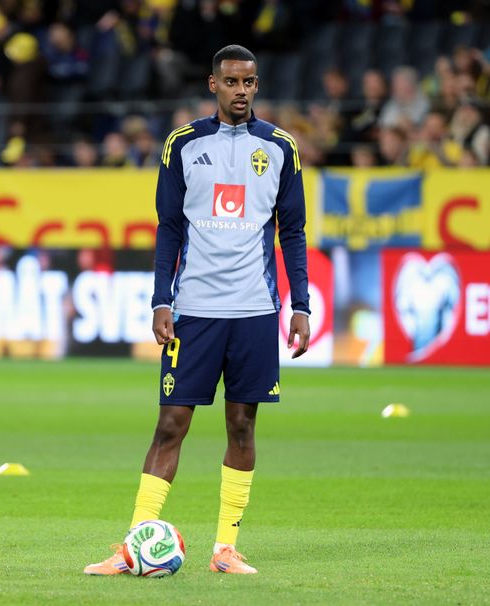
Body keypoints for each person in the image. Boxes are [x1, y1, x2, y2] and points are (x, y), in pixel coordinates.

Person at [84, 45, 311, 576]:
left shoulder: (280, 147)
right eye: (232, 82)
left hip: (255, 309)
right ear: (213, 84)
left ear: (257, 85)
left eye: (249, 83)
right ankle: (133, 543)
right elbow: (169, 228)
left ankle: (225, 549)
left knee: (242, 427)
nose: (241, 91)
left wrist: (301, 304)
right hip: (194, 309)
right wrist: (162, 298)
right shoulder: (182, 144)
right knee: (170, 425)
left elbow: (293, 231)